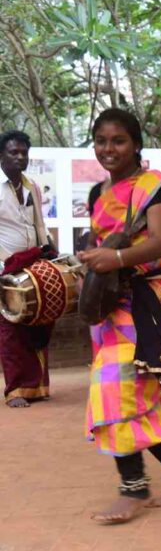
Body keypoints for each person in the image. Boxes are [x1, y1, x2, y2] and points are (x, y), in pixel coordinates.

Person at [77, 108, 161, 524]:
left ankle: (132, 488)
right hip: (112, 303)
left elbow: (158, 242)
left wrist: (113, 256)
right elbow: (103, 247)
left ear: (135, 144)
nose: (108, 149)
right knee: (141, 394)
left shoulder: (154, 185)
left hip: (146, 300)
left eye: (117, 141)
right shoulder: (99, 193)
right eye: (101, 141)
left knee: (112, 388)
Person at [0, 130, 54, 408]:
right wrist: (8, 265)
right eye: (14, 152)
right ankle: (16, 389)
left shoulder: (31, 185)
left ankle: (38, 386)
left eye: (24, 153)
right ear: (2, 155)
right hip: (6, 270)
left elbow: (39, 225)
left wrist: (46, 251)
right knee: (11, 328)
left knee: (39, 320)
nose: (20, 157)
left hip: (32, 266)